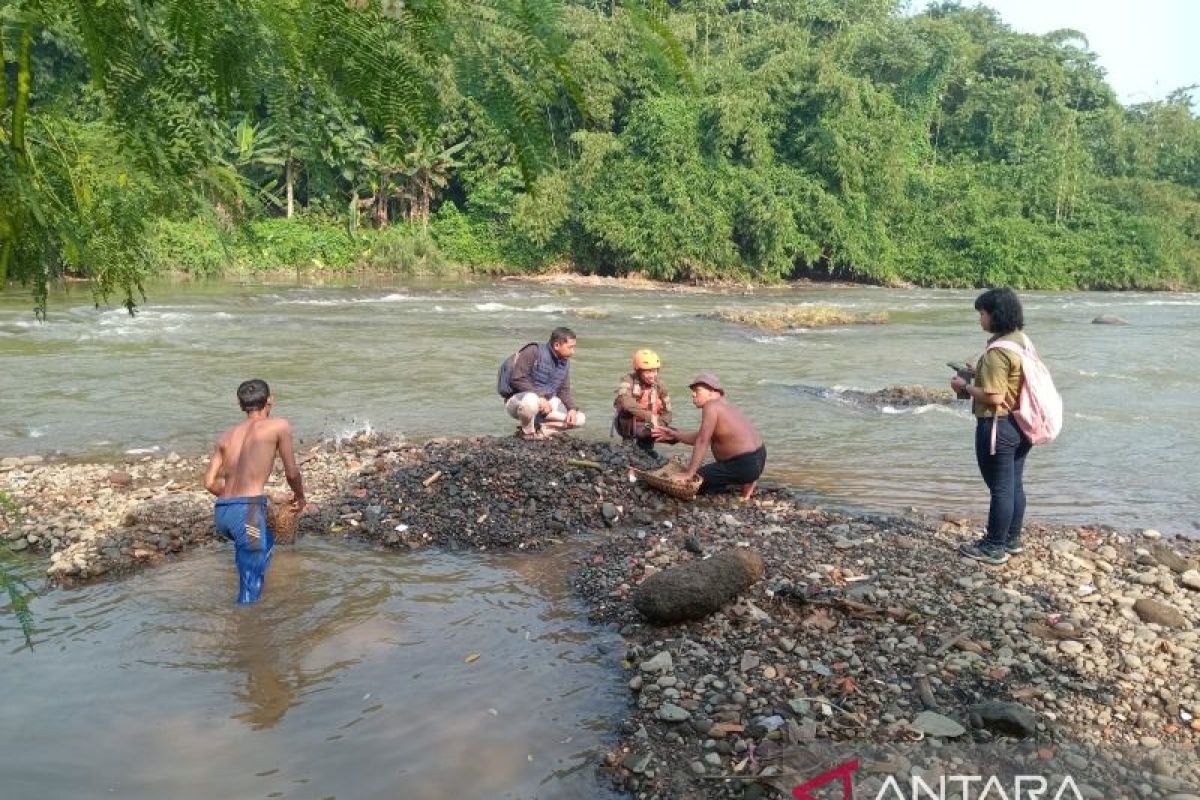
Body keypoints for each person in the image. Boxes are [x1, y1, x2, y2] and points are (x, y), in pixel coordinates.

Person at [950, 288, 1034, 566]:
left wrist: (964, 386)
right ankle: (1011, 540)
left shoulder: (997, 352)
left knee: (1000, 488)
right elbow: (1013, 380)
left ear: (994, 315)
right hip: (1022, 423)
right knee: (1013, 485)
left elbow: (995, 396)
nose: (980, 319)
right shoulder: (1020, 341)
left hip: (998, 424)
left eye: (982, 313)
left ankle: (993, 546)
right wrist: (979, 373)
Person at [204, 379, 306, 604]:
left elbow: (209, 482)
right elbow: (291, 473)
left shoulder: (226, 436)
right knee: (250, 588)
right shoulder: (278, 426)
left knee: (261, 547)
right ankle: (248, 632)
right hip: (247, 512)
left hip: (222, 513)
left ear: (241, 405)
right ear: (270, 400)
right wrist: (300, 497)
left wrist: (233, 500)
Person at [651, 373, 766, 499]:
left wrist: (689, 474)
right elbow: (701, 437)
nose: (693, 394)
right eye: (693, 391)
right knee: (719, 472)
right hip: (759, 458)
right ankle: (748, 483)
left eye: (697, 390)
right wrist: (675, 435)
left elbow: (702, 441)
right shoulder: (726, 405)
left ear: (712, 391)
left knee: (693, 482)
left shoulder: (711, 406)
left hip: (743, 464)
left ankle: (745, 480)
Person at [504, 326, 586, 440]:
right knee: (532, 399)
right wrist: (540, 397)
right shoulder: (533, 351)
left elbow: (564, 390)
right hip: (518, 402)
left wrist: (571, 409)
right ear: (557, 345)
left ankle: (544, 430)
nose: (573, 351)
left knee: (580, 419)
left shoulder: (565, 363)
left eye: (574, 347)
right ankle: (527, 432)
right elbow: (516, 378)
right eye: (570, 347)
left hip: (545, 407)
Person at [613, 348, 672, 453]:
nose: (652, 375)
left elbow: (667, 412)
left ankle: (647, 447)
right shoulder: (628, 380)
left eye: (654, 371)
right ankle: (628, 445)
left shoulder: (660, 386)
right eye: (648, 371)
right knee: (626, 411)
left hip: (650, 425)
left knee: (674, 435)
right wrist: (650, 416)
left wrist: (660, 425)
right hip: (629, 424)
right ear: (638, 371)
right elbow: (626, 403)